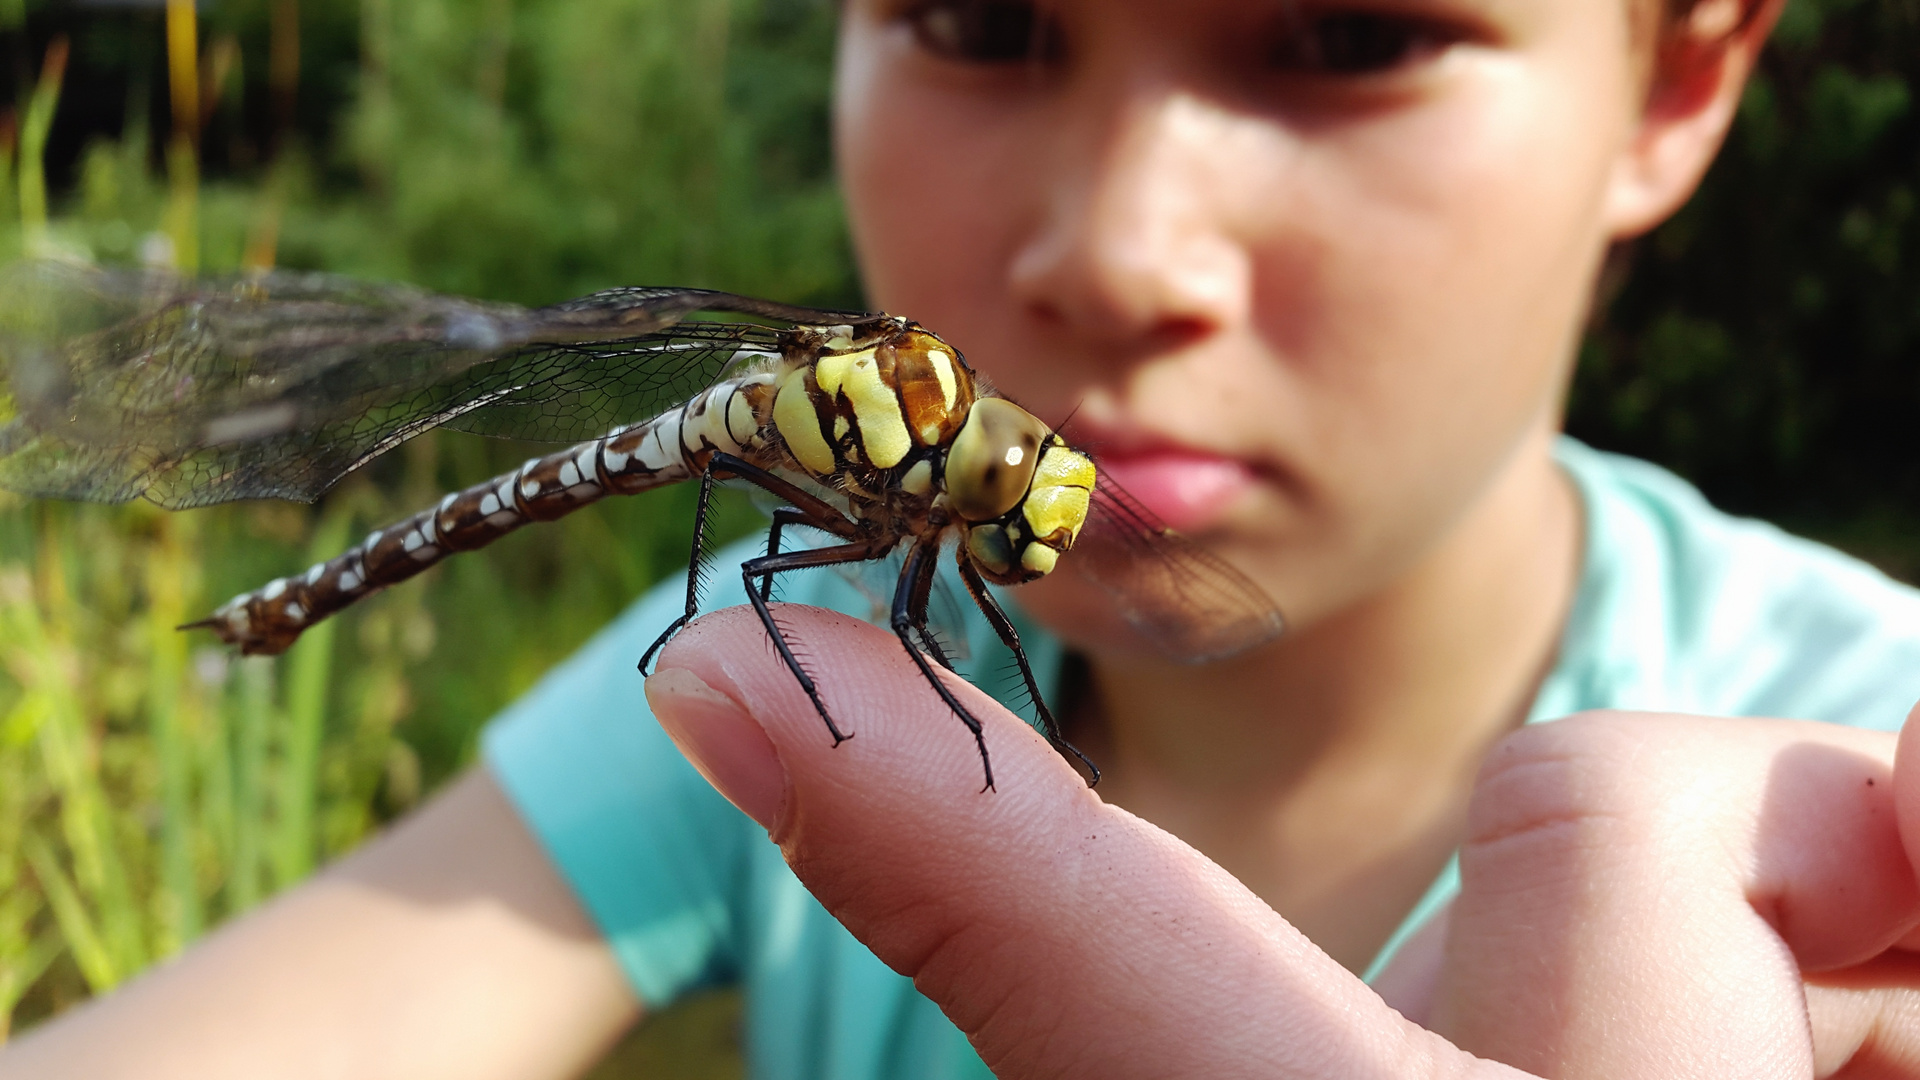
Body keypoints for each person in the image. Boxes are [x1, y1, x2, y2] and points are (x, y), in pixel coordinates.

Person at [6, 0, 1920, 1076]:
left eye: (1351, 32)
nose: (1117, 252)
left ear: (1682, 82)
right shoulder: (745, 701)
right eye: (980, 21)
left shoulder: (1861, 772)